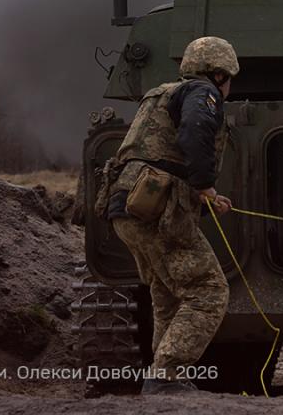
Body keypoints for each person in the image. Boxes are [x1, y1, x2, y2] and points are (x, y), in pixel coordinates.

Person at [106, 36, 239, 395]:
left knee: (166, 294)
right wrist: (206, 184)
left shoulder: (161, 93)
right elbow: (196, 130)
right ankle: (167, 376)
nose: (228, 86)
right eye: (228, 78)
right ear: (219, 74)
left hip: (128, 207)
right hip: (157, 210)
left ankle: (160, 377)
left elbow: (160, 152)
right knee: (209, 291)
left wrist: (201, 192)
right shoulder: (202, 93)